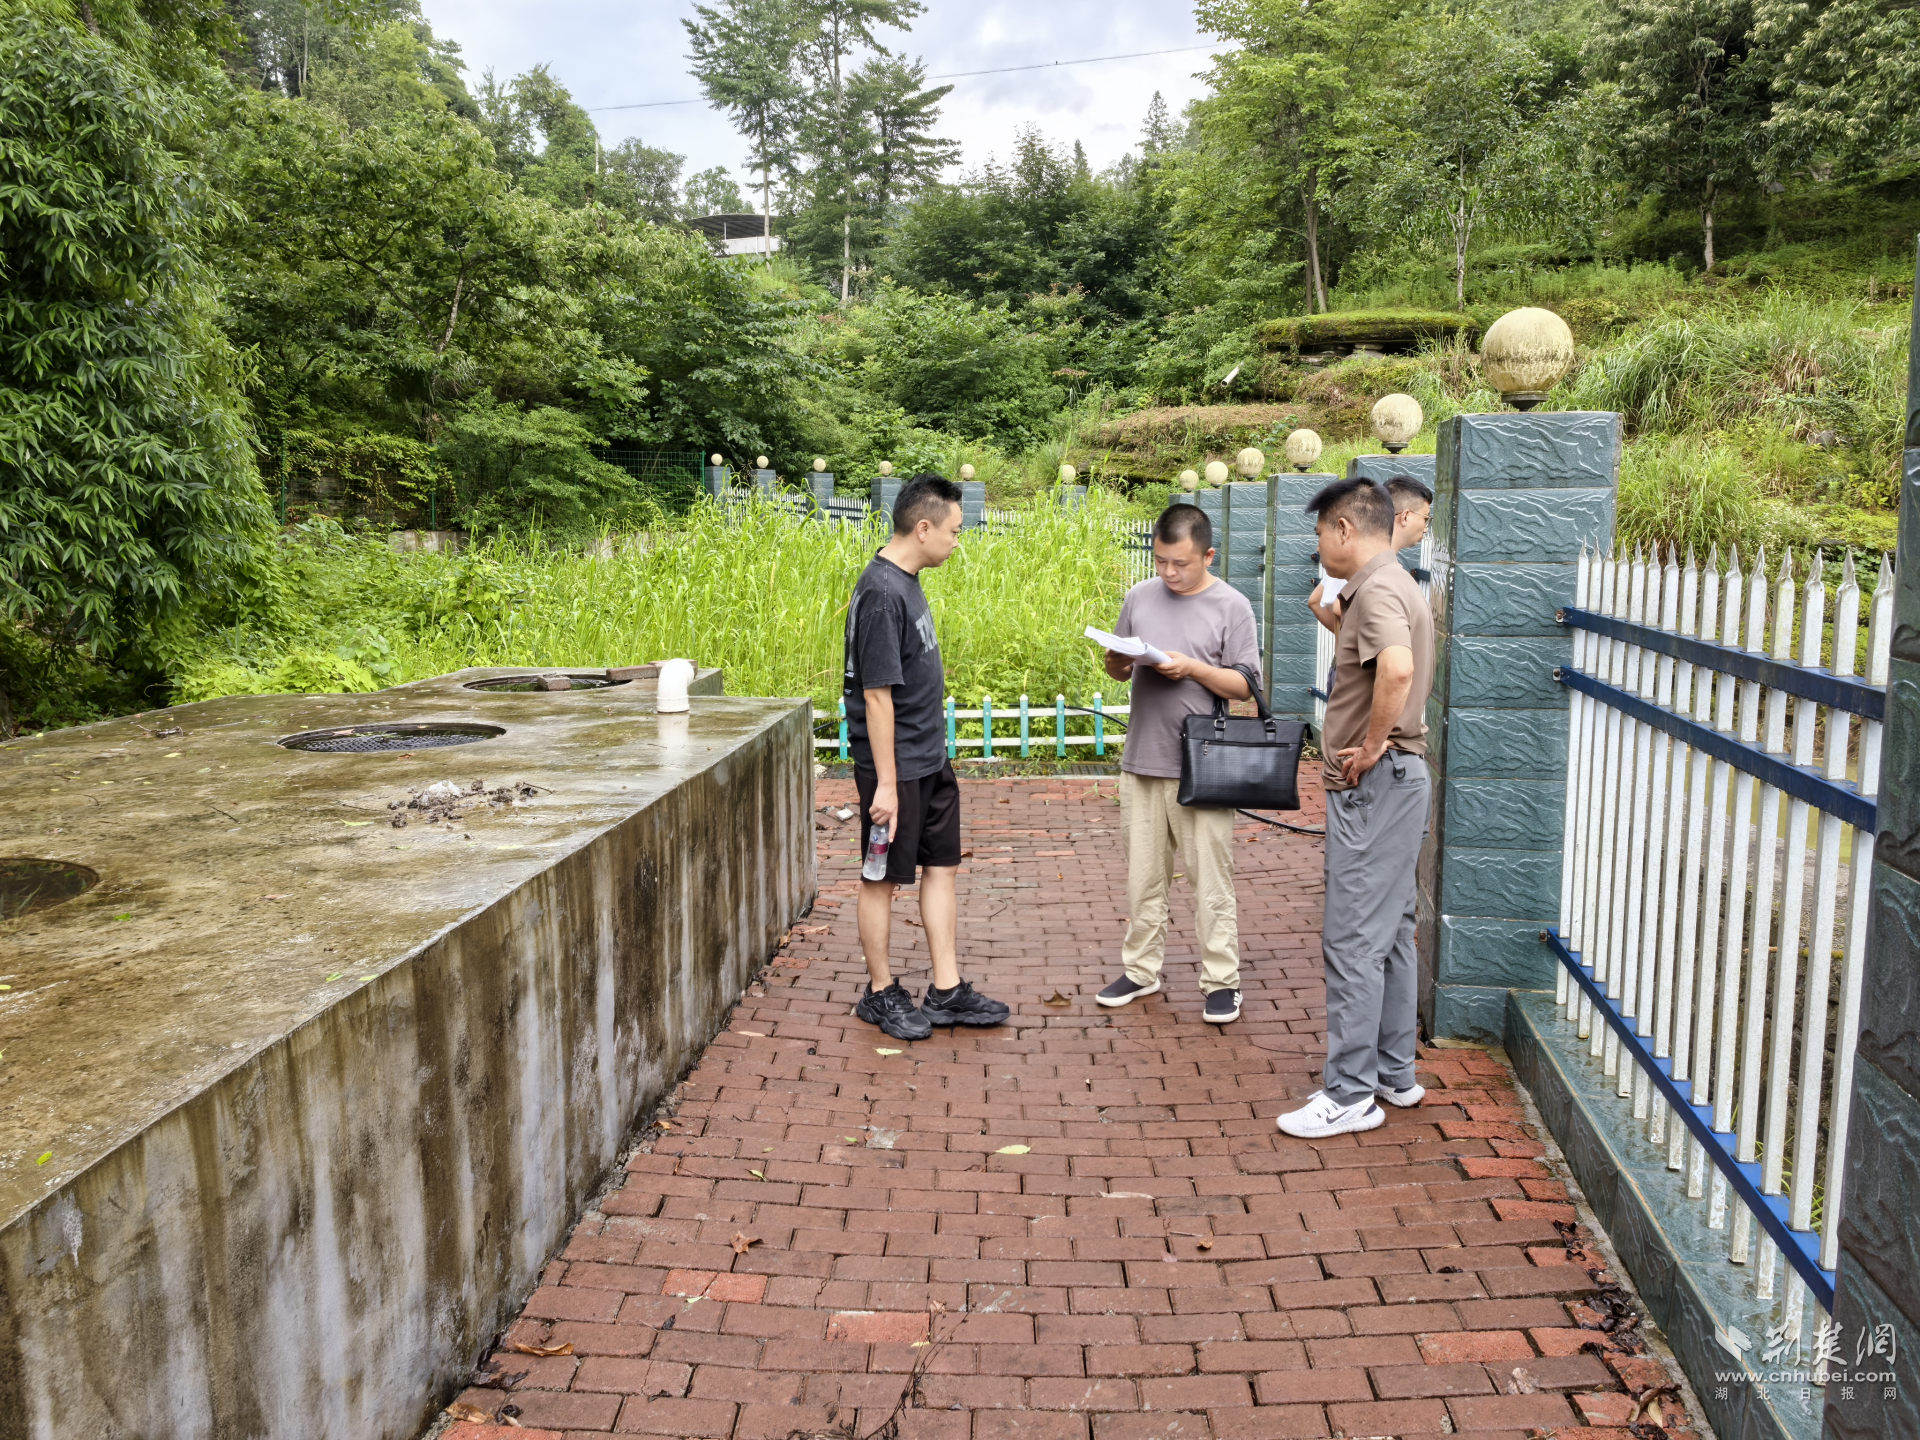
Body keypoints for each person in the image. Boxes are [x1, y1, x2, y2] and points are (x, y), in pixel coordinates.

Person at [1278, 477, 1436, 1138]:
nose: (1318, 545)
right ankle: (1395, 1074)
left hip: (1378, 781)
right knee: (1394, 931)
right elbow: (1382, 662)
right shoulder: (1396, 584)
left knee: (1352, 938)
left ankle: (1349, 1094)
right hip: (1402, 780)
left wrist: (1370, 745)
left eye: (1320, 532)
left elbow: (1395, 669)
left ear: (1345, 528)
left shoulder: (1374, 587)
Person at [844, 474, 1010, 1041]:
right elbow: (875, 694)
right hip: (894, 770)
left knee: (942, 867)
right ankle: (879, 992)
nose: (957, 541)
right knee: (882, 877)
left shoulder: (908, 581)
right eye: (954, 531)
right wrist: (885, 785)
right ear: (923, 528)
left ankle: (946, 989)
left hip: (928, 760)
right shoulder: (881, 592)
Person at [1095, 502, 1262, 1026]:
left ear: (1208, 555)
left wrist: (1192, 668)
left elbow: (1245, 687)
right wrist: (1119, 659)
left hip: (1203, 764)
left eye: (1181, 564)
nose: (1168, 573)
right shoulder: (1139, 595)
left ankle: (1222, 981)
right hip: (1143, 759)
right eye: (1160, 561)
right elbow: (1118, 669)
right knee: (1143, 877)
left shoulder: (1232, 606)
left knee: (1210, 879)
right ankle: (1141, 970)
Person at [1307, 474, 1433, 636]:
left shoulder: (1379, 564)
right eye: (1425, 518)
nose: (1426, 528)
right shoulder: (1364, 560)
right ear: (1405, 516)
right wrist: (1352, 648)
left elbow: (1318, 601)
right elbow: (1336, 607)